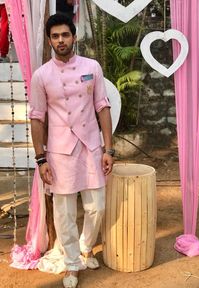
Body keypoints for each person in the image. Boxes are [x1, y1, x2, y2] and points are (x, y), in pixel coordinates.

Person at [29, 13, 114, 288]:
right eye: (55, 36)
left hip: (90, 145)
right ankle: (72, 264)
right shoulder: (41, 75)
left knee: (96, 206)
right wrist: (41, 158)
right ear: (50, 40)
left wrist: (108, 149)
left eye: (65, 34)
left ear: (74, 37)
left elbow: (102, 106)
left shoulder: (92, 66)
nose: (61, 40)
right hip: (59, 150)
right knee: (64, 212)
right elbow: (37, 117)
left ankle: (87, 245)